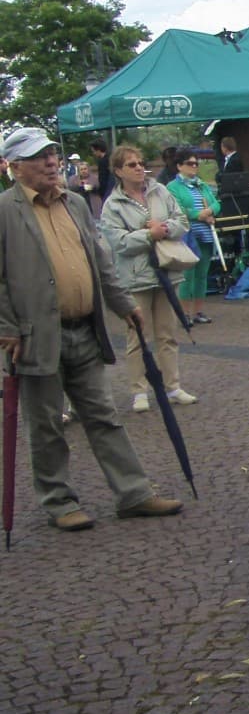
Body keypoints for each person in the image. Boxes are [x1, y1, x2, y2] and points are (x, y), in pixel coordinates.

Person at [0, 127, 184, 531]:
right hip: (33, 336)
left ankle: (133, 493)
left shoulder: (75, 203)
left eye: (51, 154)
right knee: (46, 425)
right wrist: (7, 327)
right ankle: (59, 501)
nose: (51, 162)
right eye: (39, 157)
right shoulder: (5, 211)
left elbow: (100, 260)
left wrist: (122, 303)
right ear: (15, 167)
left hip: (83, 328)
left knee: (104, 416)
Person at [100, 145, 196, 412]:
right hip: (135, 278)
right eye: (132, 164)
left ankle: (173, 386)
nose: (140, 168)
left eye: (141, 163)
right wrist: (147, 236)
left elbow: (182, 221)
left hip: (167, 272)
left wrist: (163, 228)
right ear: (118, 171)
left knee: (168, 334)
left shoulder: (160, 191)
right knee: (137, 338)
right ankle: (139, 391)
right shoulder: (113, 205)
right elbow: (118, 242)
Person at [165, 148, 219, 325]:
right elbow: (178, 209)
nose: (194, 166)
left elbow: (216, 203)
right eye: (190, 163)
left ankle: (198, 311)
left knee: (202, 275)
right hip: (187, 236)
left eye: (196, 163)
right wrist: (199, 215)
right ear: (179, 166)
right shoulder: (172, 187)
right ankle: (185, 313)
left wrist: (210, 211)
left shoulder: (202, 185)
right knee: (187, 275)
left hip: (206, 235)